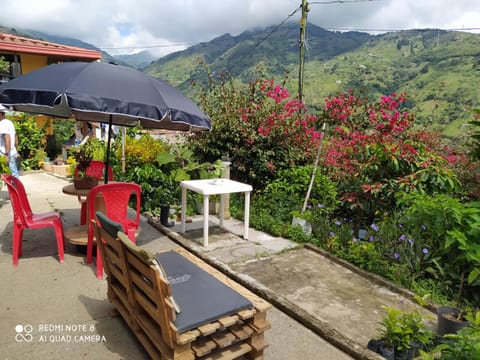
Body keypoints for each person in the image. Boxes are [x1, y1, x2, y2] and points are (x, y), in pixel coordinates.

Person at [0, 104, 20, 178]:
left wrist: (6, 155)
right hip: (12, 152)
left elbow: (7, 138)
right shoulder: (9, 122)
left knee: (13, 175)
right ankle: (16, 189)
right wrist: (16, 151)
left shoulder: (2, 124)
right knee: (14, 174)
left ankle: (16, 189)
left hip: (7, 154)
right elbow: (15, 138)